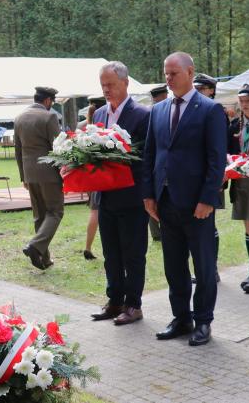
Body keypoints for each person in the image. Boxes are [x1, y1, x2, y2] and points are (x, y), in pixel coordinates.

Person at [143, 52, 226, 346]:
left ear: (190, 73)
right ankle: (181, 318)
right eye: (165, 73)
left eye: (174, 73)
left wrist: (207, 199)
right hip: (166, 201)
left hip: (196, 204)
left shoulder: (210, 110)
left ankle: (203, 321)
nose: (168, 78)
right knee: (174, 265)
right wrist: (149, 194)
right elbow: (150, 155)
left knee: (203, 266)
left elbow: (216, 159)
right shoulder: (158, 110)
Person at [90, 62, 150, 325]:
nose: (106, 89)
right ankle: (114, 300)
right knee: (111, 253)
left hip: (132, 196)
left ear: (125, 83)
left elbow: (145, 157)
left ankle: (133, 305)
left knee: (133, 255)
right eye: (103, 85)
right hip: (106, 197)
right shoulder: (99, 113)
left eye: (111, 84)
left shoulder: (142, 115)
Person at [14, 86, 63, 270]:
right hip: (49, 173)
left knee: (39, 215)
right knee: (55, 212)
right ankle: (35, 247)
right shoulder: (49, 117)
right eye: (52, 102)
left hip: (29, 173)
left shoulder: (19, 117)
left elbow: (18, 151)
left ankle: (43, 258)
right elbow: (58, 148)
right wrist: (64, 172)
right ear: (48, 100)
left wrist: (23, 176)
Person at [193, 73, 222, 284]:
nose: (198, 92)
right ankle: (206, 268)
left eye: (202, 89)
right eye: (196, 88)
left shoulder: (215, 111)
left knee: (209, 225)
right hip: (194, 180)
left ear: (211, 91)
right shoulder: (194, 110)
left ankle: (212, 268)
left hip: (213, 178)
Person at [232, 84, 249, 293]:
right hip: (242, 183)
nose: (244, 105)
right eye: (242, 101)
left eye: (248, 101)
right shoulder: (235, 125)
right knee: (248, 228)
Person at [78, 95, 106, 260]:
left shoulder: (83, 127)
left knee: (94, 211)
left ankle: (88, 246)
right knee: (101, 212)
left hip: (89, 174)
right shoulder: (106, 124)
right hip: (105, 173)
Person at [147, 85, 169, 242]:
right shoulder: (155, 112)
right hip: (157, 165)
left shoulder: (157, 110)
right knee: (155, 199)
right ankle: (157, 232)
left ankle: (157, 232)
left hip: (158, 165)